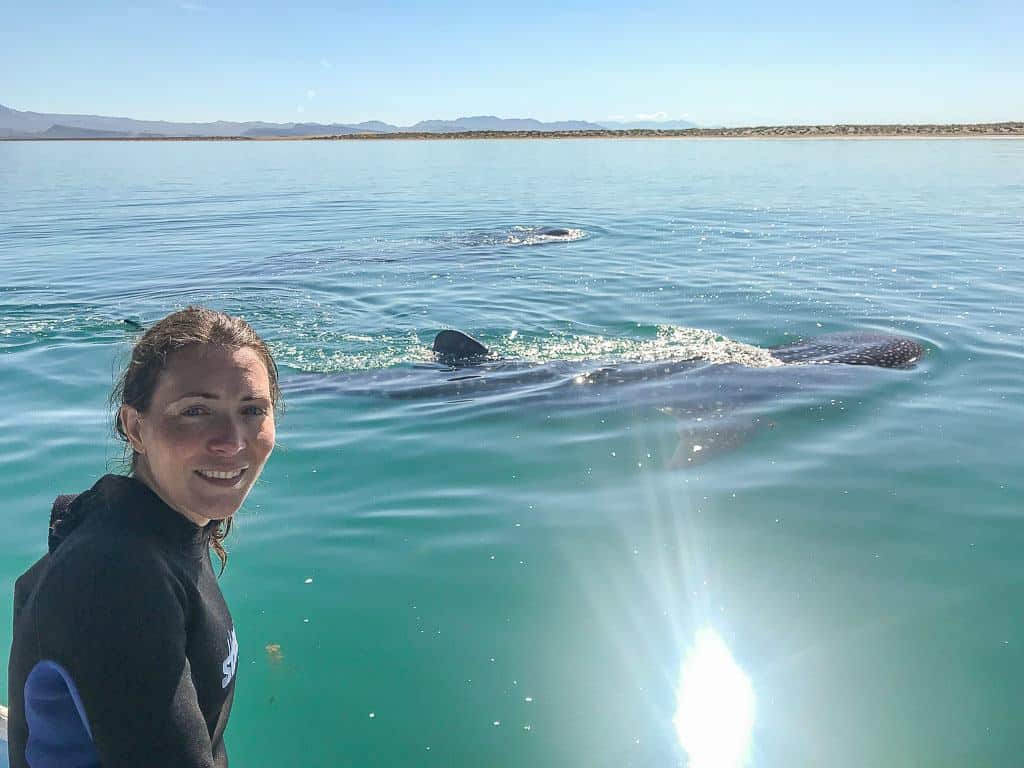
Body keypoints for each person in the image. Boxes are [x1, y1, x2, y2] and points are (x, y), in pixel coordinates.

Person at [6, 307, 281, 767]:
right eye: (196, 411)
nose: (231, 441)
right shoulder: (116, 577)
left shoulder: (159, 528)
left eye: (252, 410)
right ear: (135, 427)